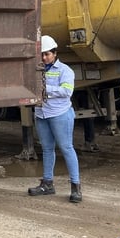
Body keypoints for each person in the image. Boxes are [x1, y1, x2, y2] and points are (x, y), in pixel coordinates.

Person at [28, 35, 82, 203]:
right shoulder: (36, 70)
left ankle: (76, 187)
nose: (44, 58)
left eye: (47, 54)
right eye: (42, 55)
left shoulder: (65, 71)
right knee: (46, 149)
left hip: (60, 114)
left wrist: (43, 88)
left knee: (66, 148)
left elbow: (66, 91)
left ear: (55, 53)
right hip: (41, 114)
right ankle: (47, 184)